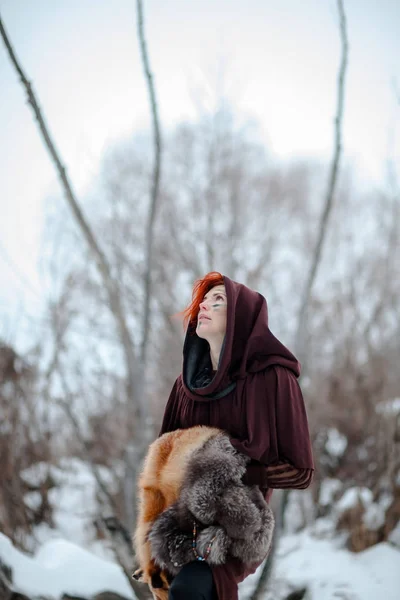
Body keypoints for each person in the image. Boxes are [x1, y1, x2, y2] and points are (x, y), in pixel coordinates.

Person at [159, 272, 314, 600]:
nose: (204, 306)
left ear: (242, 319)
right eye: (204, 300)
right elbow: (163, 462)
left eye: (219, 301)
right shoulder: (183, 388)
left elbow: (300, 471)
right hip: (180, 526)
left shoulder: (274, 379)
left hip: (238, 526)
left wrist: (226, 476)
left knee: (191, 589)